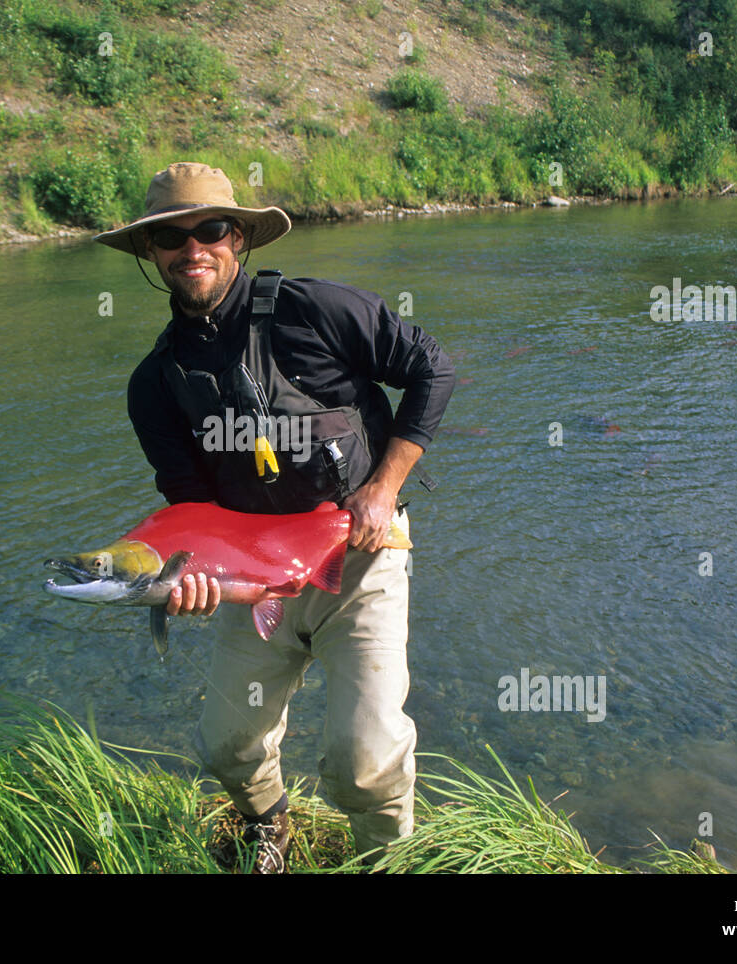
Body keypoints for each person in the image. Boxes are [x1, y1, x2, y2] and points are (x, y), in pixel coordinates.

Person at [94, 162, 454, 872]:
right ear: (151, 253)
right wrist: (194, 584)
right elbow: (193, 513)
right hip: (254, 580)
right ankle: (272, 824)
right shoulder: (154, 385)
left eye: (212, 229)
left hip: (360, 562)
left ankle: (386, 861)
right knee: (226, 744)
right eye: (170, 235)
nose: (192, 247)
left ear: (240, 239)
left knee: (363, 760)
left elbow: (433, 369)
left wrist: (383, 486)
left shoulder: (315, 310)